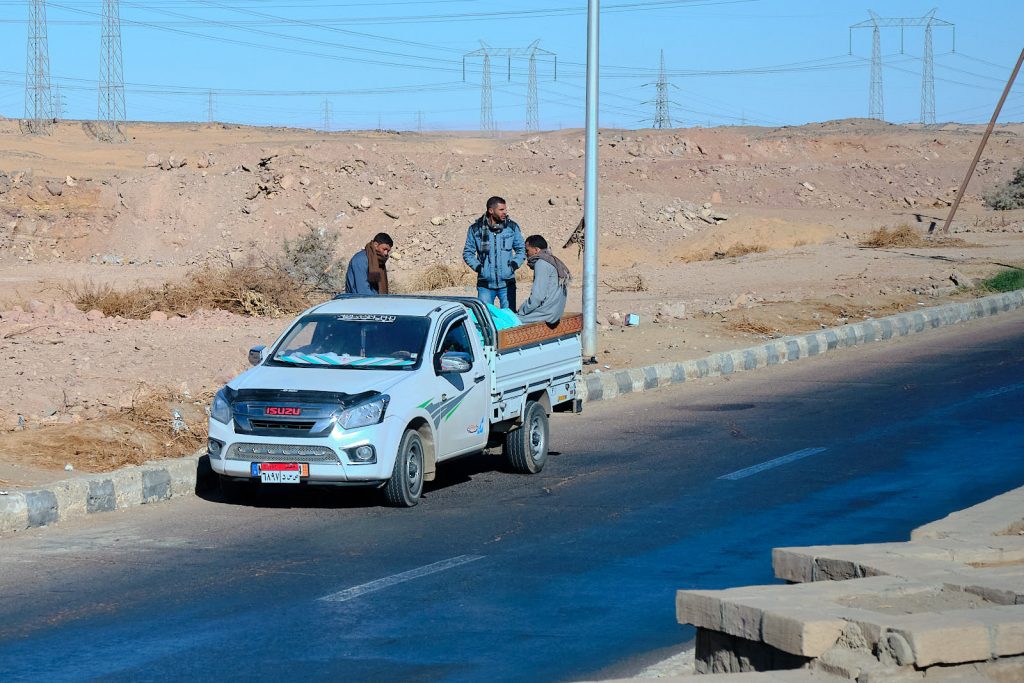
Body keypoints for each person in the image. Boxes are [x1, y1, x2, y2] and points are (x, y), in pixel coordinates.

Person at [463, 196, 525, 309]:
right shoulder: (476, 229)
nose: (505, 212)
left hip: (507, 284)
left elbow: (521, 249)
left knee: (510, 320)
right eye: (501, 210)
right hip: (485, 285)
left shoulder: (512, 227)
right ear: (491, 210)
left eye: (505, 209)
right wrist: (480, 268)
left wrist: (513, 265)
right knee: (485, 320)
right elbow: (468, 253)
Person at [517, 234, 570, 325]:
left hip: (546, 314)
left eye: (527, 250)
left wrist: (521, 311)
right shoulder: (552, 261)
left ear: (536, 250)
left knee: (508, 322)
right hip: (556, 312)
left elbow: (537, 297)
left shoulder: (541, 264)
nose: (526, 254)